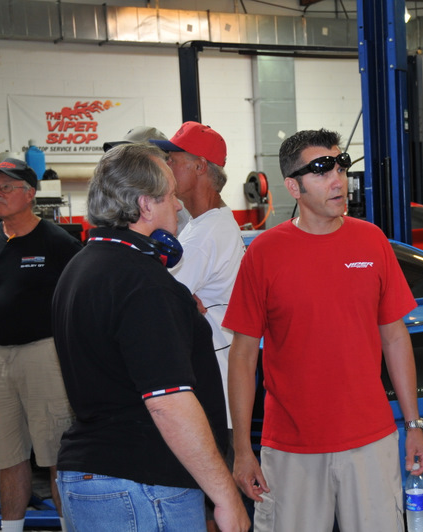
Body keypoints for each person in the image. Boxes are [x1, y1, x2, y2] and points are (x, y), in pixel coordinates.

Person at [224, 128, 423, 532]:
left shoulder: (372, 241)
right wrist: (242, 450)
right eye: (321, 171)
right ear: (293, 187)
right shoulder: (264, 254)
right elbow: (243, 355)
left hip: (371, 442)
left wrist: (414, 425)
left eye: (341, 167)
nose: (338, 180)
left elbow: (394, 337)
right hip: (291, 449)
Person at [51, 143, 249, 532]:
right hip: (142, 485)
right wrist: (226, 496)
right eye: (171, 195)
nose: (178, 205)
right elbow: (168, 403)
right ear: (145, 205)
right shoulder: (145, 282)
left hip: (95, 476)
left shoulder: (81, 267)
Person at [0, 158, 81, 532]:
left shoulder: (59, 243)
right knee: (7, 454)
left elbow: (79, 296)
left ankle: (68, 525)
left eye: (6, 187)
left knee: (57, 454)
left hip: (44, 355)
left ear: (30, 194)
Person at [152, 121, 246, 532]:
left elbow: (155, 300)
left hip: (213, 390)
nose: (167, 167)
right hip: (216, 384)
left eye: (173, 159)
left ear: (201, 167)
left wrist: (179, 301)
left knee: (212, 503)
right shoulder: (202, 226)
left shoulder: (205, 234)